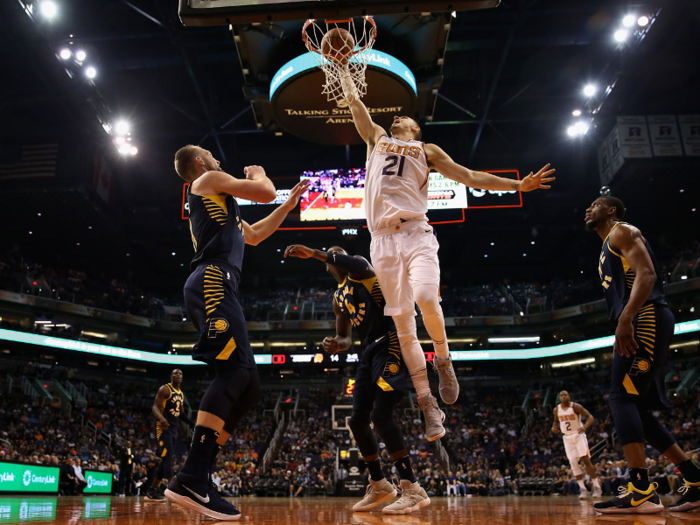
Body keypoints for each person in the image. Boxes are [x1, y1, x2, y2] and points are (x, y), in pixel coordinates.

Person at [341, 72, 555, 440]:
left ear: (416, 129)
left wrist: (518, 184)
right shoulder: (376, 139)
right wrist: (343, 68)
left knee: (426, 297)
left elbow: (471, 176)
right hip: (381, 242)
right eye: (395, 118)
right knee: (403, 324)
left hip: (416, 232)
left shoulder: (428, 151)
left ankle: (443, 358)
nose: (396, 119)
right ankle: (428, 404)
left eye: (403, 119)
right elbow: (355, 105)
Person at [164, 145, 308, 521]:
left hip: (221, 282)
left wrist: (287, 208)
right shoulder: (206, 180)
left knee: (251, 385)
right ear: (198, 162)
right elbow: (263, 190)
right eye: (209, 153)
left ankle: (199, 474)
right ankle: (191, 476)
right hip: (212, 279)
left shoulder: (222, 205)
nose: (215, 158)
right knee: (235, 372)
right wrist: (259, 172)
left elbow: (256, 234)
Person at [284, 244, 429, 514]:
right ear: (327, 269)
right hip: (367, 352)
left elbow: (354, 262)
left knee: (382, 416)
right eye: (331, 254)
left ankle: (412, 487)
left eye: (339, 253)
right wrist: (335, 343)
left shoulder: (360, 269)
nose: (337, 255)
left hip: (390, 341)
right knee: (356, 421)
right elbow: (346, 338)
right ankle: (380, 484)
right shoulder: (338, 297)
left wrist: (314, 252)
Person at [585, 195, 700, 514]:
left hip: (644, 316)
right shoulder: (608, 244)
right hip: (641, 316)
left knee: (620, 397)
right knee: (639, 411)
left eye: (594, 204)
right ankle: (695, 479)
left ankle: (641, 490)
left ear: (611, 211)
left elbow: (647, 275)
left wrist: (626, 318)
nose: (587, 209)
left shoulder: (622, 231)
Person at [145, 369, 195, 502]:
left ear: (182, 378)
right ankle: (174, 490)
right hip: (162, 428)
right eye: (175, 373)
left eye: (180, 373)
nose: (178, 375)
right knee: (168, 458)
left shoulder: (181, 394)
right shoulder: (165, 389)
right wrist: (161, 418)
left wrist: (192, 424)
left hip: (173, 429)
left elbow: (182, 414)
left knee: (165, 462)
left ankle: (152, 491)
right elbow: (155, 407)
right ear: (171, 376)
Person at [551, 390, 602, 499]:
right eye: (561, 395)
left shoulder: (575, 407)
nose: (564, 396)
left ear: (569, 396)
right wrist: (554, 427)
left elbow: (590, 417)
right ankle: (582, 489)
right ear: (559, 398)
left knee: (585, 459)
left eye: (565, 394)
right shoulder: (556, 410)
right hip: (567, 438)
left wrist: (585, 427)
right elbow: (556, 421)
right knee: (573, 462)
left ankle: (596, 486)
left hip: (578, 435)